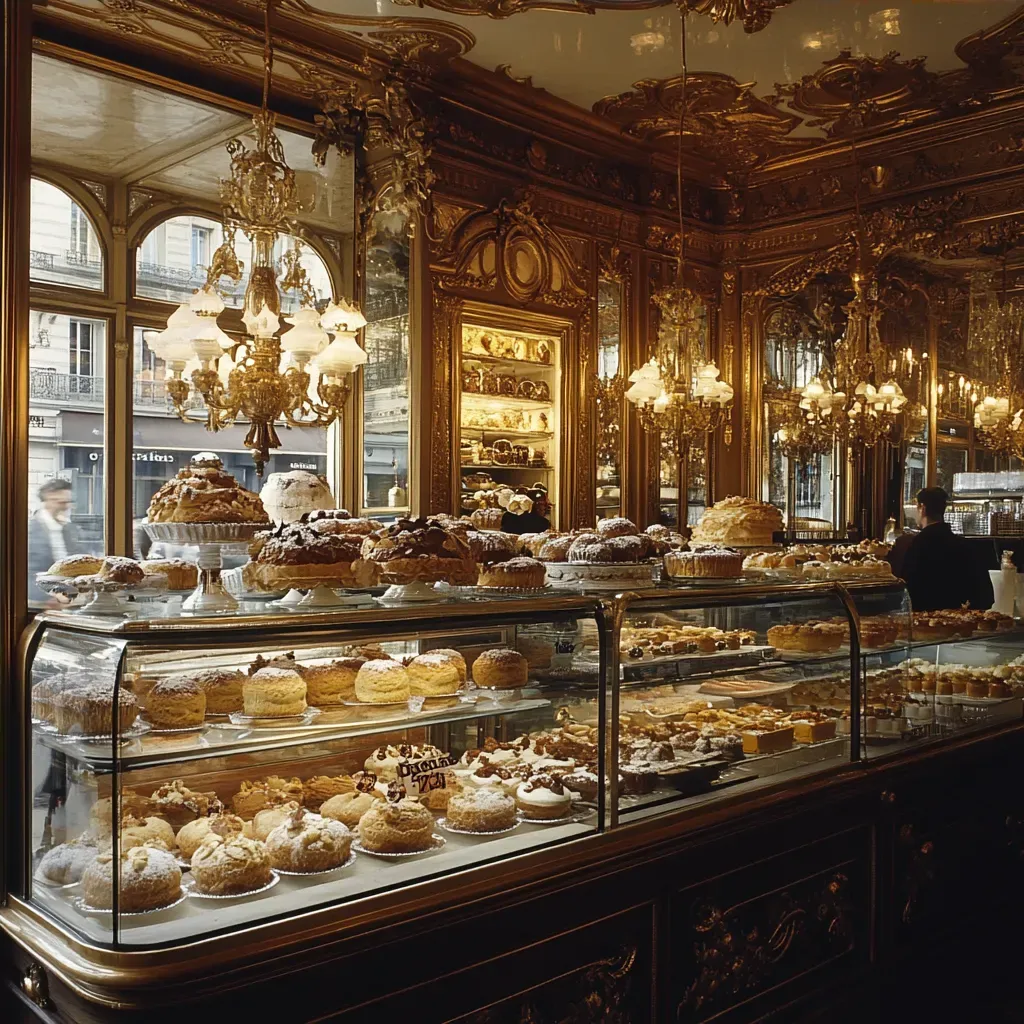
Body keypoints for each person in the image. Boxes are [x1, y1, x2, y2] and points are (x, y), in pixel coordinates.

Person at [887, 486, 994, 611]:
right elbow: (986, 597)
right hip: (957, 624)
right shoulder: (965, 546)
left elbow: (903, 592)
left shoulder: (912, 545)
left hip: (920, 622)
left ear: (922, 508)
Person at [28, 478, 80, 609]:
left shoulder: (68, 529)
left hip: (68, 599)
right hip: (40, 604)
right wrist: (51, 597)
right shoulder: (29, 530)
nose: (67, 506)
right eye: (61, 502)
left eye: (68, 502)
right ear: (48, 500)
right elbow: (24, 574)